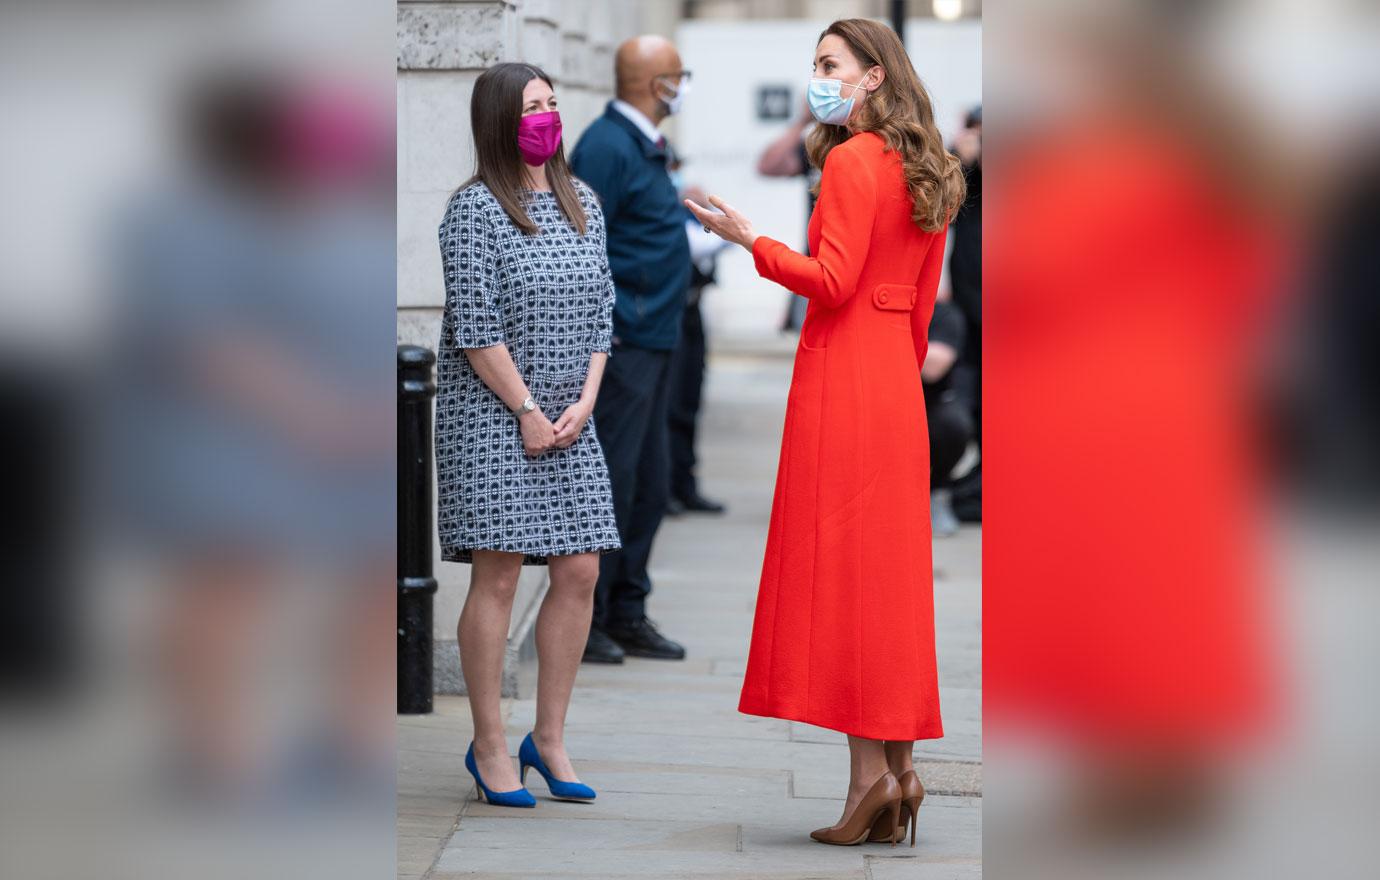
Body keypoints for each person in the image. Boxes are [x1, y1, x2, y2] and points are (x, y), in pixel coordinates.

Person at [687, 18, 966, 846]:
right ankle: (900, 771)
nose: (818, 77)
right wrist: (895, 375)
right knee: (890, 587)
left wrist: (750, 240)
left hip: (841, 378)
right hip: (892, 386)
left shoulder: (848, 159)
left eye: (828, 65)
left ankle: (870, 783)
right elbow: (917, 310)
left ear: (874, 77)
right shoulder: (931, 167)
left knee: (844, 586)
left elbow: (832, 281)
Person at [436, 62, 619, 809]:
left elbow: (605, 312)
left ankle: (548, 738)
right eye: (530, 107)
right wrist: (526, 411)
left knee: (580, 570)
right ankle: (487, 744)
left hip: (572, 416)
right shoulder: (475, 210)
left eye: (552, 103)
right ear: (499, 123)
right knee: (501, 573)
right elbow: (476, 327)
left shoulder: (586, 203)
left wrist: (583, 401)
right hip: (493, 414)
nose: (546, 117)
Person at [569, 36, 693, 664]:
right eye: (679, 75)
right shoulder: (606, 146)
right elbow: (582, 242)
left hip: (657, 336)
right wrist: (607, 328)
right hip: (627, 342)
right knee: (613, 480)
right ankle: (586, 620)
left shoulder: (640, 142)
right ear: (656, 83)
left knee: (649, 480)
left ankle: (627, 608)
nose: (683, 85)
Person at [666, 149, 730, 516]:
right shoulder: (669, 211)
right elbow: (702, 244)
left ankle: (686, 485)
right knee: (671, 406)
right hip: (671, 315)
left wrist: (705, 208)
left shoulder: (685, 210)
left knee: (689, 401)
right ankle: (669, 489)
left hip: (691, 313)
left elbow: (716, 241)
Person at [757, 99, 822, 332]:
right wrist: (802, 121)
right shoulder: (817, 147)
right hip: (812, 263)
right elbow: (768, 165)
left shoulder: (865, 145)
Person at [922, 299, 975, 537]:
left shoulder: (944, 314)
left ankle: (937, 492)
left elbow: (934, 367)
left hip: (931, 405)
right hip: (880, 400)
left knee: (953, 426)